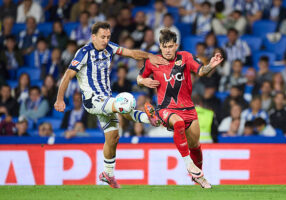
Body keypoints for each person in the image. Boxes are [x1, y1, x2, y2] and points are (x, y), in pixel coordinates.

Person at [54, 21, 168, 189]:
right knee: (126, 101)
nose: (105, 40)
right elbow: (67, 76)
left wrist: (149, 56)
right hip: (93, 100)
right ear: (93, 37)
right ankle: (147, 118)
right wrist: (59, 99)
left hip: (106, 101)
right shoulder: (83, 53)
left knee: (113, 137)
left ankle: (108, 173)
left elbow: (131, 53)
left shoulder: (109, 47)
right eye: (102, 37)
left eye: (108, 37)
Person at [137, 29, 224, 188]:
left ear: (176, 45)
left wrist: (211, 65)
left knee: (195, 146)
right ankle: (188, 164)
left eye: (171, 46)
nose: (168, 50)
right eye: (165, 47)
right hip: (166, 108)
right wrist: (143, 82)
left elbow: (201, 71)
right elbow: (139, 77)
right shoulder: (152, 61)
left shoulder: (185, 57)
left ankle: (198, 177)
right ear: (160, 46)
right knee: (177, 124)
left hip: (188, 109)